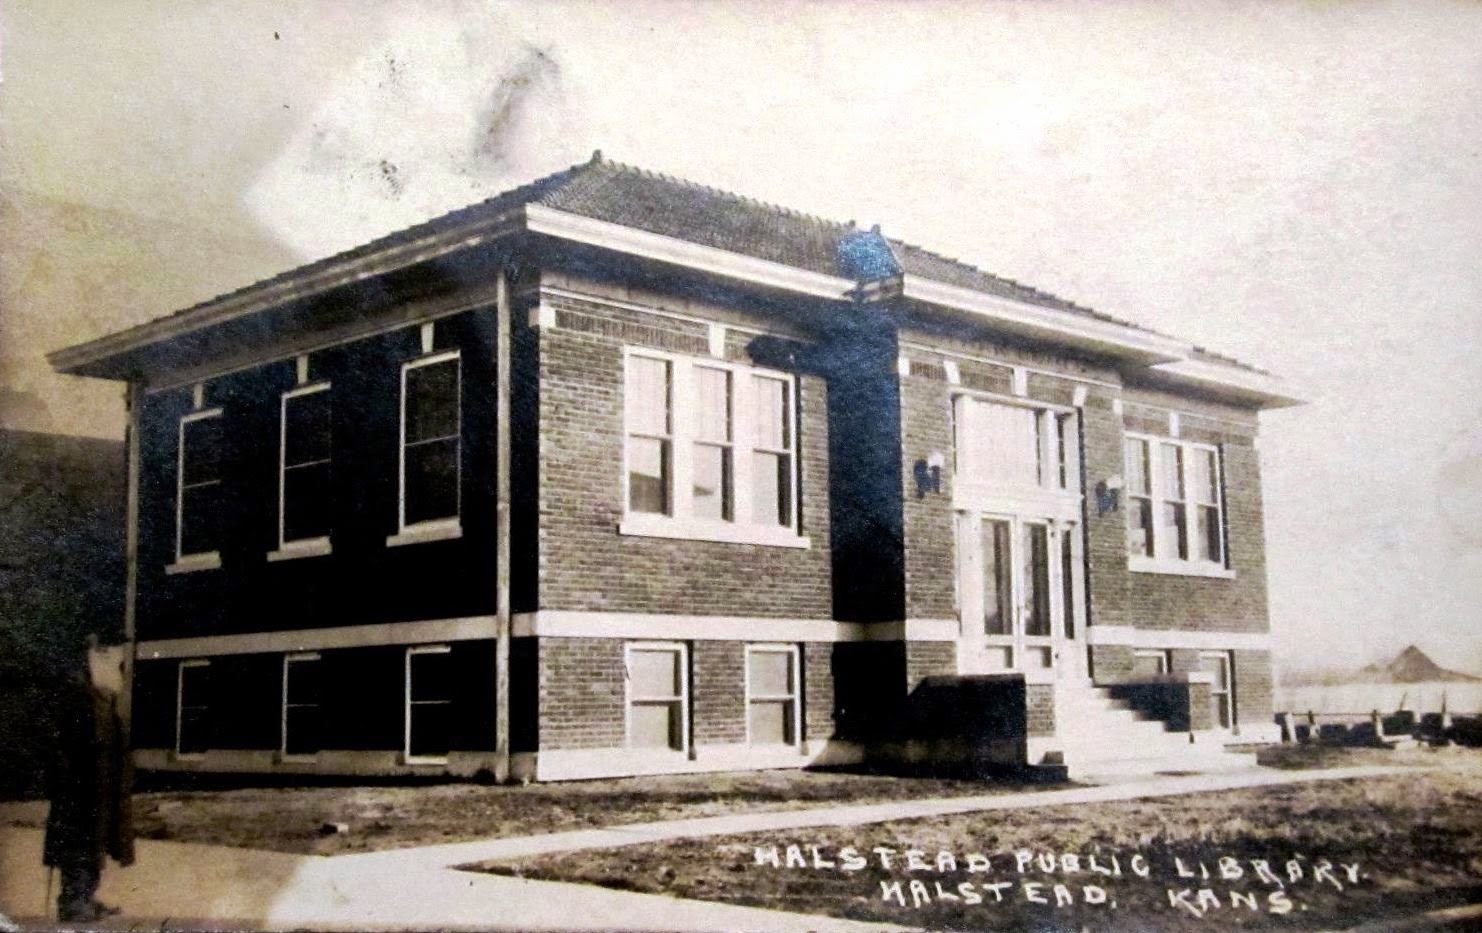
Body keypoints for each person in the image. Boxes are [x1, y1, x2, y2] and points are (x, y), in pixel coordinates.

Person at [42, 638, 134, 922]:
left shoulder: (105, 695)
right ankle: (72, 902)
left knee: (97, 842)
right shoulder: (77, 694)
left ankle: (85, 896)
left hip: (103, 784)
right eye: (112, 657)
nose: (119, 664)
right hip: (79, 786)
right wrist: (65, 779)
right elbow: (59, 744)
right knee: (78, 842)